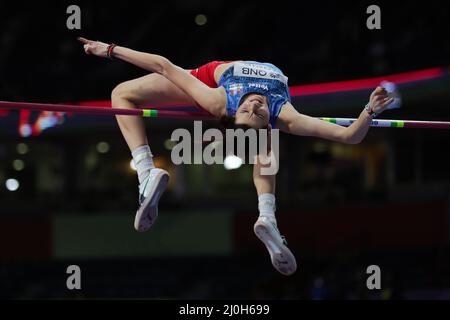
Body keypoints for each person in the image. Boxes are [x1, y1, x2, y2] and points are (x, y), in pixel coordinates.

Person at [78, 37, 395, 276]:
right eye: (255, 111)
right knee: (268, 138)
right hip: (244, 97)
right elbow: (349, 135)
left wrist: (109, 50)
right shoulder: (280, 114)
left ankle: (146, 173)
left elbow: (164, 65)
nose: (255, 106)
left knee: (121, 92)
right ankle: (267, 217)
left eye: (251, 111)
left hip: (208, 77)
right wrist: (369, 109)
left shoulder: (218, 101)